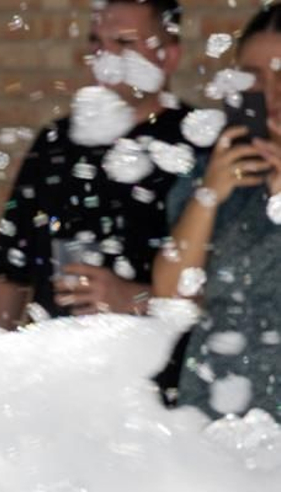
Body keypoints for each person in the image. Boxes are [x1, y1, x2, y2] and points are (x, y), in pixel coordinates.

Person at [0, 0, 188, 328]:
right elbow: (10, 272)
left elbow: (221, 294)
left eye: (124, 43)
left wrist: (132, 298)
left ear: (169, 56)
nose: (104, 57)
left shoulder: (198, 146)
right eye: (96, 42)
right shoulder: (56, 141)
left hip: (154, 357)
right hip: (57, 353)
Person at [153, 5, 281, 417]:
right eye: (254, 77)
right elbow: (172, 298)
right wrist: (209, 194)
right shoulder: (213, 169)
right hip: (212, 410)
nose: (270, 95)